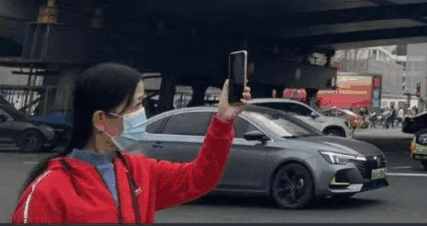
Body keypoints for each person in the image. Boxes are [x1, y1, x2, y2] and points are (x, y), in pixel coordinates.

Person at [12, 62, 250, 224]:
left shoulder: (139, 170)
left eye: (143, 102)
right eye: (135, 105)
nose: (143, 113)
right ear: (101, 119)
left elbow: (201, 179)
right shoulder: (47, 190)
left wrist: (222, 121)